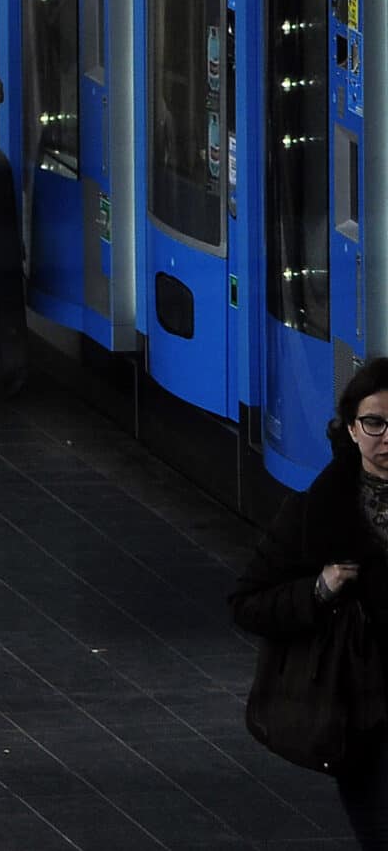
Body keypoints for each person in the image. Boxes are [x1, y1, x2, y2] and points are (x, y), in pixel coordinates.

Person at [232, 357, 388, 848]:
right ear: (351, 428)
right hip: (364, 714)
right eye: (375, 423)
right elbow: (247, 602)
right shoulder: (316, 513)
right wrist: (318, 590)